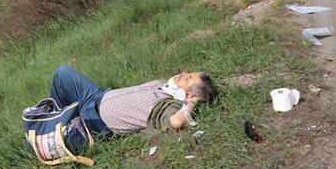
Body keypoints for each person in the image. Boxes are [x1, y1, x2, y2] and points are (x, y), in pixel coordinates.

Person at [48, 65, 214, 135]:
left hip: (96, 120)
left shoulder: (169, 104)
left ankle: (48, 130)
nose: (184, 73)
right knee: (63, 72)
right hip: (97, 95)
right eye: (189, 72)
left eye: (189, 77)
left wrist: (194, 101)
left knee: (53, 131)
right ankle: (54, 118)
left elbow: (177, 122)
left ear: (190, 94)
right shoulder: (164, 86)